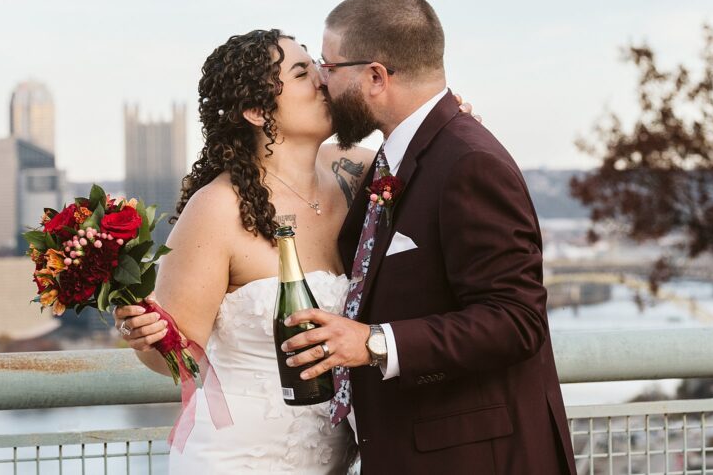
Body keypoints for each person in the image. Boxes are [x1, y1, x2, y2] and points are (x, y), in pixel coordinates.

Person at [113, 28, 473, 472]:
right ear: (256, 111)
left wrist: (447, 124)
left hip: (337, 456)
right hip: (241, 458)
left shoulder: (358, 175)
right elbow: (176, 356)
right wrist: (146, 334)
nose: (323, 79)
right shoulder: (218, 209)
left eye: (317, 66)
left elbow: (430, 152)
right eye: (302, 72)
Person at [281, 0, 576, 474]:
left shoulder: (468, 162)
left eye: (329, 68)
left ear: (375, 77)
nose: (321, 81)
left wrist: (375, 342)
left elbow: (517, 319)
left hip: (475, 458)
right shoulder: (399, 155)